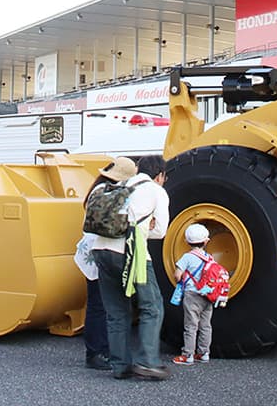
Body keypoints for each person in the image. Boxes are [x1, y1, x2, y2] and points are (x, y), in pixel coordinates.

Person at [90, 155, 170, 381]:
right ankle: (147, 362)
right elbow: (160, 232)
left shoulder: (119, 186)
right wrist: (148, 227)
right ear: (160, 175)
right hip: (132, 252)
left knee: (116, 312)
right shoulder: (156, 191)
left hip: (101, 250)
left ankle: (120, 366)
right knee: (152, 306)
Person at [74, 173, 114, 371]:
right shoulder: (105, 193)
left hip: (90, 253)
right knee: (99, 306)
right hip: (97, 252)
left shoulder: (96, 191)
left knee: (98, 305)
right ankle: (96, 352)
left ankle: (98, 350)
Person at [171, 223, 216, 366]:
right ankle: (204, 353)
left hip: (192, 295)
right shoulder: (210, 258)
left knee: (191, 325)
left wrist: (180, 279)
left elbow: (177, 275)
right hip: (207, 295)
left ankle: (188, 355)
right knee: (205, 325)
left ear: (186, 242)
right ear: (206, 241)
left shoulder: (187, 257)